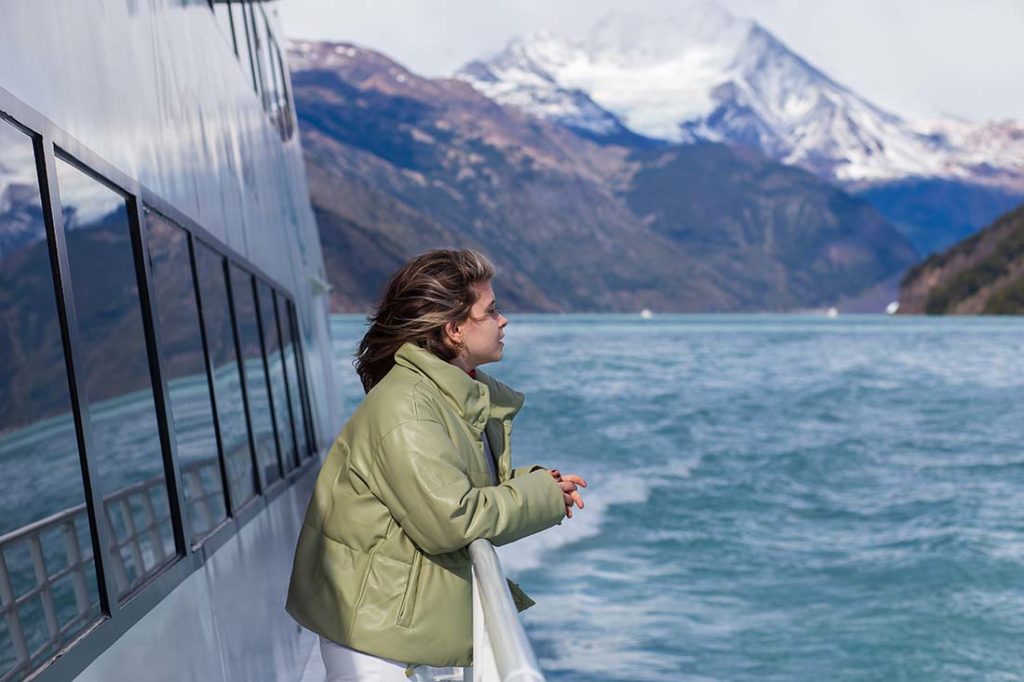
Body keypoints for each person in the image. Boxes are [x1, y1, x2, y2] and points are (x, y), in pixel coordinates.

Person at [286, 249, 586, 681]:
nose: (504, 321)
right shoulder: (407, 406)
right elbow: (452, 518)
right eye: (492, 310)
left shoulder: (444, 397)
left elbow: (451, 482)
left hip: (401, 628)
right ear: (455, 330)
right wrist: (539, 497)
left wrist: (542, 484)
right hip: (379, 641)